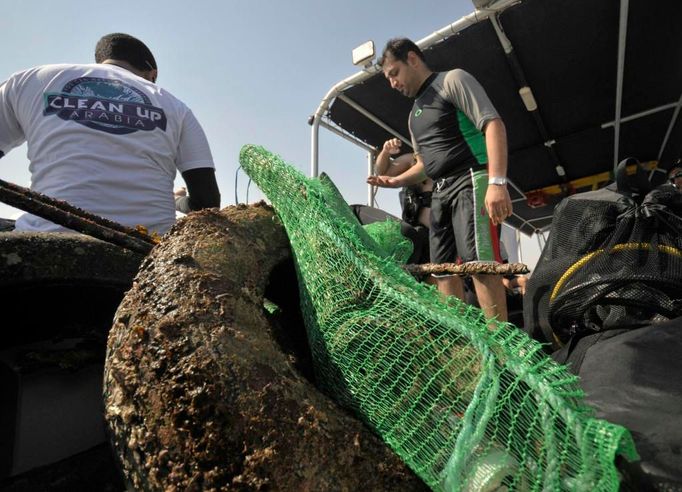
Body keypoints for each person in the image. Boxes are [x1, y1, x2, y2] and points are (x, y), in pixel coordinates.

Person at [0, 33, 220, 235]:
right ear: (152, 73)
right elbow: (207, 203)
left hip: (46, 238)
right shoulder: (177, 107)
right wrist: (179, 201)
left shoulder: (29, 80)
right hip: (147, 252)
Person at [368, 38, 512, 322]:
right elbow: (424, 166)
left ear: (412, 59)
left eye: (394, 73)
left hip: (471, 178)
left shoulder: (453, 80)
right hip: (440, 192)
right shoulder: (413, 118)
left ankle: (502, 344)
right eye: (388, 79)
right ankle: (464, 342)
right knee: (442, 269)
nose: (393, 84)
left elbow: (492, 123)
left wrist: (497, 182)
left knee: (478, 263)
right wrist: (395, 182)